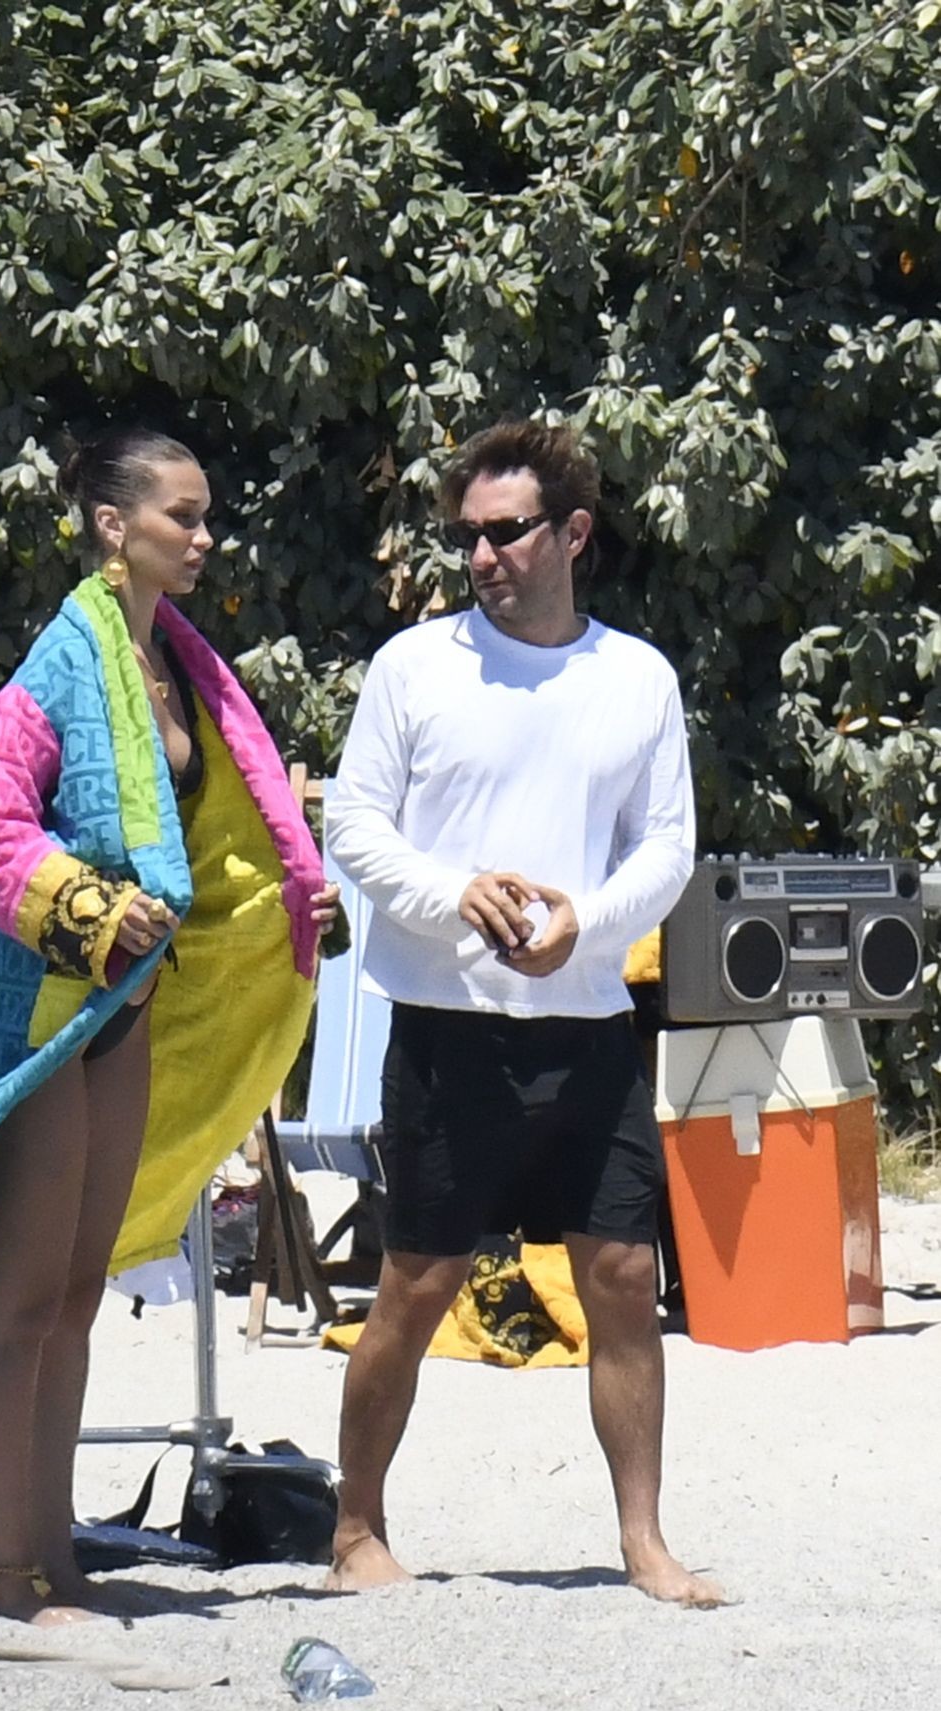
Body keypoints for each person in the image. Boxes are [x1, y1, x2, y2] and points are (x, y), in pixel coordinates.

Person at [0, 426, 339, 1625]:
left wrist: (289, 892)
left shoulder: (179, 665)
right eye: (184, 514)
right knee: (27, 1302)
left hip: (124, 1010)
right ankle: (10, 1571)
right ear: (112, 525)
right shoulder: (57, 669)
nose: (205, 536)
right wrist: (87, 910)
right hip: (44, 1016)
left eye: (207, 514)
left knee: (78, 1295)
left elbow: (214, 834)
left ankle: (55, 1557)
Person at [325, 419, 724, 1608]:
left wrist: (581, 926)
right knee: (416, 1285)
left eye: (505, 532)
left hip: (589, 1022)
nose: (481, 556)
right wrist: (457, 893)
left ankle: (643, 1541)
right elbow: (354, 824)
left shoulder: (635, 677)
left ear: (573, 533)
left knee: (623, 1277)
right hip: (446, 1025)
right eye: (468, 535)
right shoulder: (414, 666)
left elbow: (666, 849)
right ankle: (354, 1531)